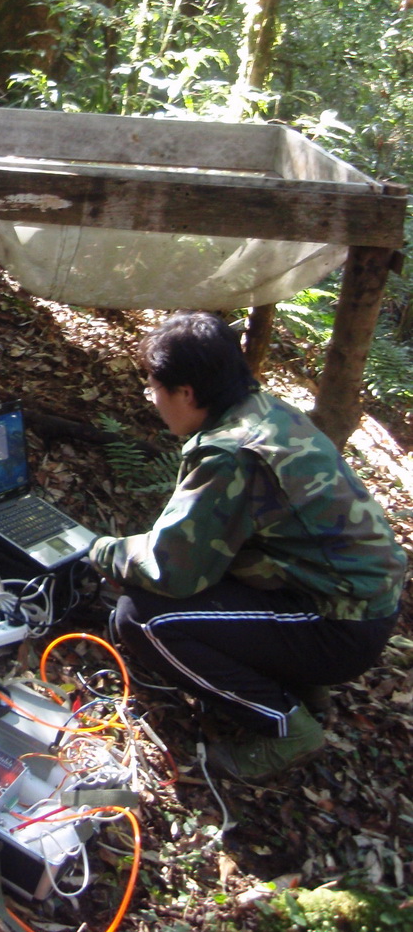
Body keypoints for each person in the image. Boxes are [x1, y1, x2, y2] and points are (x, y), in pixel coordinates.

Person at [85, 311, 407, 781]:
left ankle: (287, 727)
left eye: (154, 387)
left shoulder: (233, 452)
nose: (150, 398)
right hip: (351, 605)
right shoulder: (264, 412)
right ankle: (297, 683)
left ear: (187, 393)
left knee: (145, 618)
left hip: (340, 625)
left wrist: (99, 550)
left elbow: (171, 571)